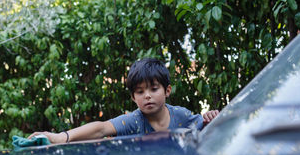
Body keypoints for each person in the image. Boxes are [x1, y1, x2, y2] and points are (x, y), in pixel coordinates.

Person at [29, 58, 219, 143]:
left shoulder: (182, 115)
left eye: (154, 89)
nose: (147, 95)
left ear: (167, 90)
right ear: (133, 97)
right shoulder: (135, 120)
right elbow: (101, 128)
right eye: (140, 91)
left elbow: (207, 123)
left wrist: (211, 116)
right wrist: (61, 137)